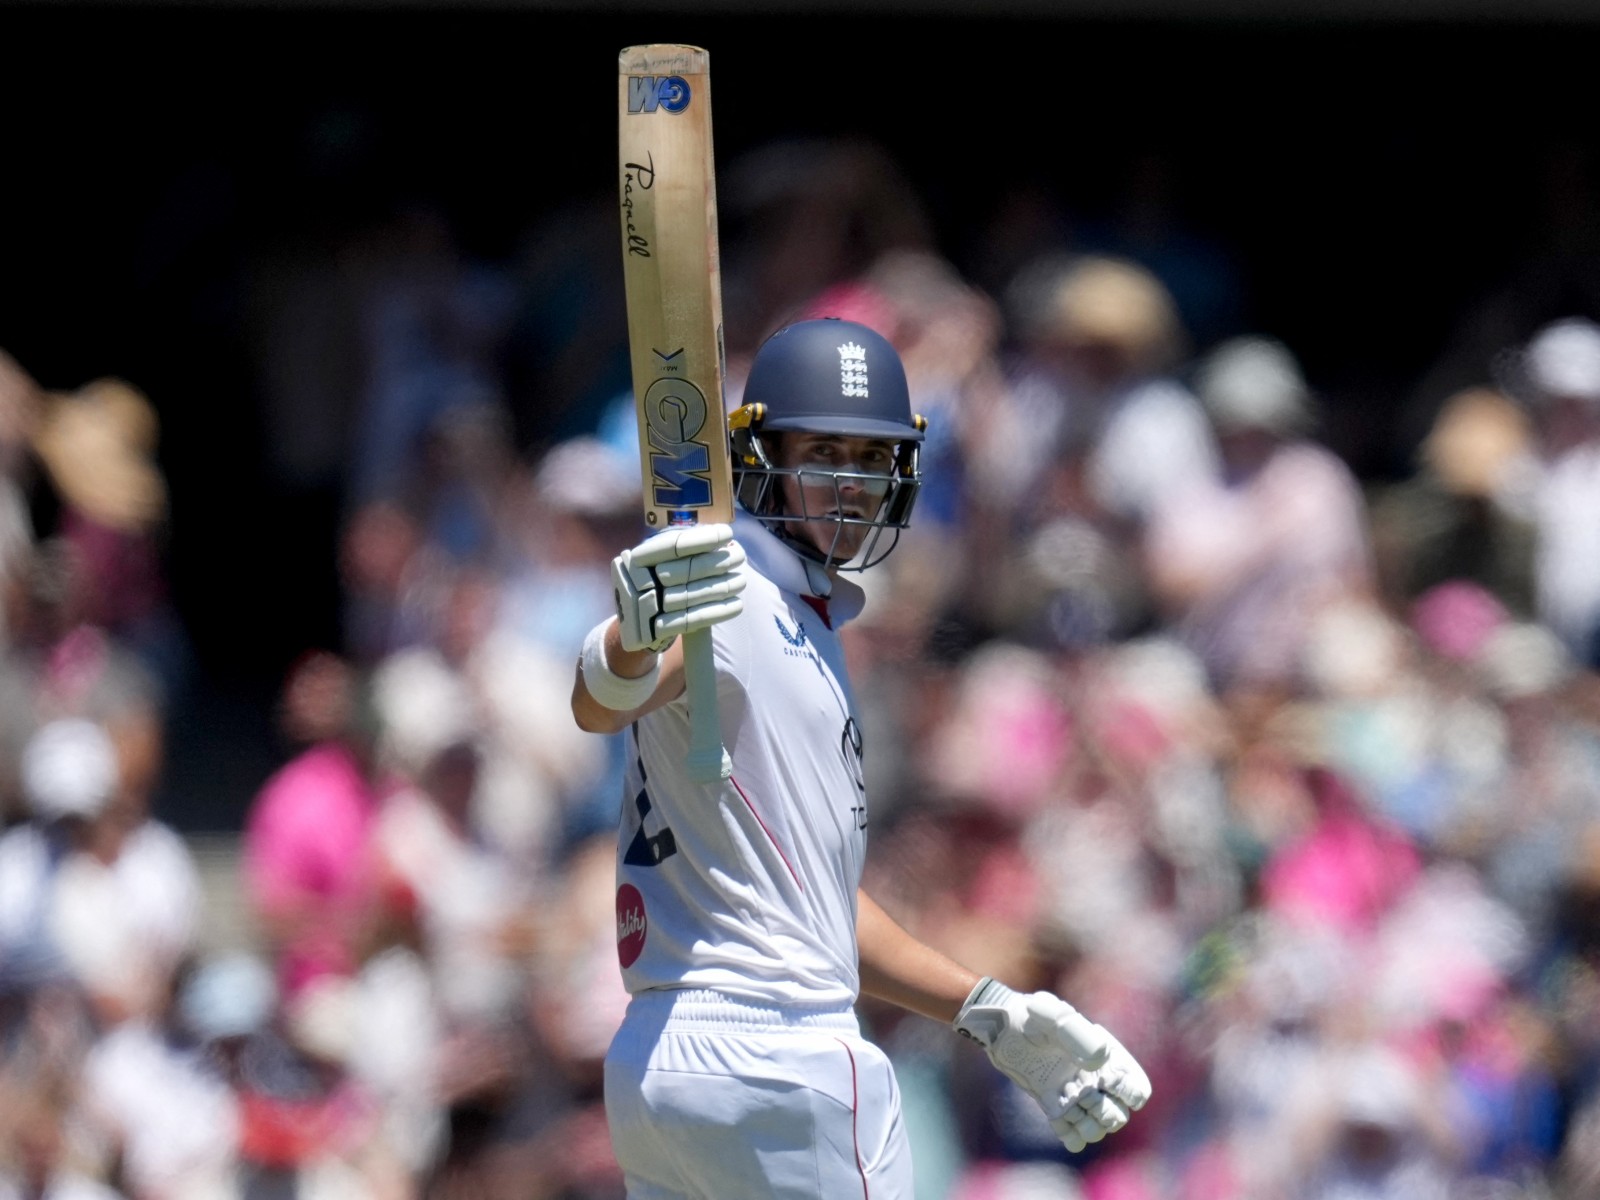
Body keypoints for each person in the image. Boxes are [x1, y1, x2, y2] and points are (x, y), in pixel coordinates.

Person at [570, 317, 1150, 1197]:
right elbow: (603, 699)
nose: (850, 483)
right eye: (825, 451)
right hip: (786, 1055)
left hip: (658, 1071)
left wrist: (984, 1009)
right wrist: (626, 641)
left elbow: (819, 905)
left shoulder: (804, 622)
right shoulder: (729, 582)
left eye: (873, 459)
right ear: (761, 453)